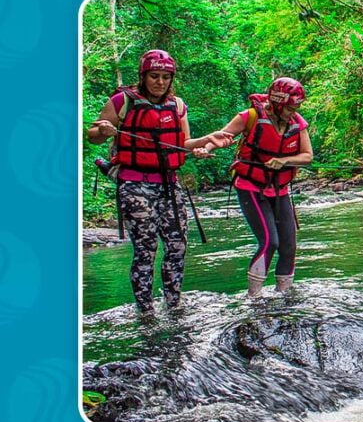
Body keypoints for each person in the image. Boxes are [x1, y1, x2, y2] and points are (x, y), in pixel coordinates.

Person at [86, 50, 233, 315]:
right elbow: (93, 136)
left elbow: (183, 144)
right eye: (154, 76)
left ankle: (174, 305)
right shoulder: (123, 101)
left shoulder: (177, 106)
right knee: (146, 248)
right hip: (134, 184)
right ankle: (146, 311)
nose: (160, 82)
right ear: (143, 76)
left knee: (177, 246)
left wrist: (205, 141)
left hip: (169, 183)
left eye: (166, 77)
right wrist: (102, 130)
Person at [202, 77, 313, 296]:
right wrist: (205, 148)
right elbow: (222, 137)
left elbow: (307, 156)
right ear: (279, 103)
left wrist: (284, 161)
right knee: (270, 241)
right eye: (291, 107)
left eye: (297, 107)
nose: (294, 112)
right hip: (251, 187)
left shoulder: (297, 124)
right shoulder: (250, 117)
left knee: (289, 246)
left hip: (279, 190)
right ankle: (254, 297)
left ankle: (284, 295)